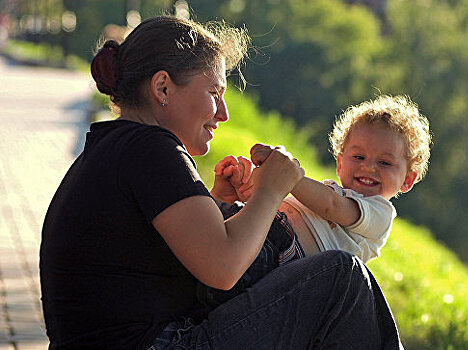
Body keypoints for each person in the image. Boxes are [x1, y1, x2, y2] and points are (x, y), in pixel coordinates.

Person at [39, 15, 404, 350]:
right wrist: (271, 190)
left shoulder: (118, 147)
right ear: (163, 88)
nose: (224, 114)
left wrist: (215, 205)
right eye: (214, 94)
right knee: (340, 276)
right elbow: (223, 269)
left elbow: (172, 257)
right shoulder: (152, 149)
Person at [201, 95, 431, 307]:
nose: (368, 167)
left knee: (221, 262)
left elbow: (332, 207)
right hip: (268, 234)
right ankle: (219, 202)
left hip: (287, 260)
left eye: (385, 163)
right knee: (219, 220)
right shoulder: (327, 189)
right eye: (358, 157)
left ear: (407, 180)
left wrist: (288, 175)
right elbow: (277, 202)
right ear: (340, 163)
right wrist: (248, 187)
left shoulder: (379, 212)